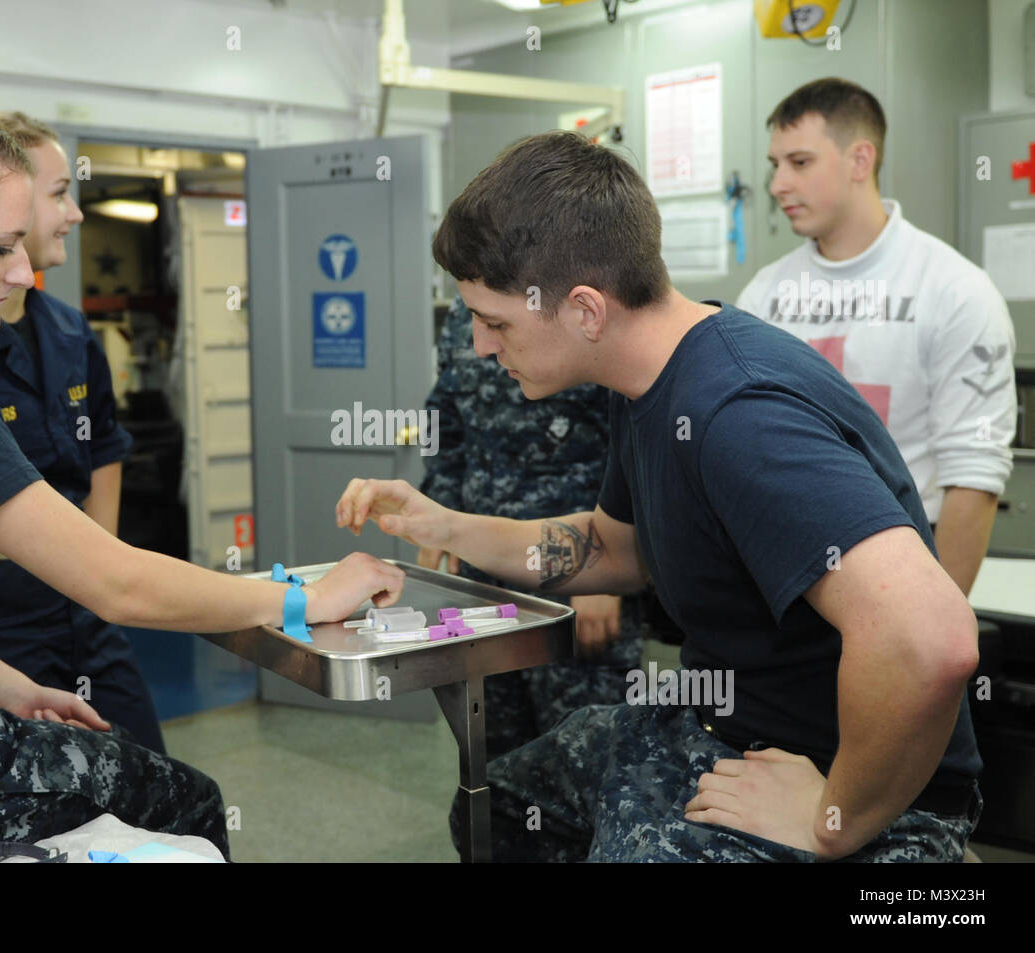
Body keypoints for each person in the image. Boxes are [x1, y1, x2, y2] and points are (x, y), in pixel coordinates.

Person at [0, 101, 403, 862]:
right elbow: (113, 582)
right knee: (182, 800)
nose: (24, 272)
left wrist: (9, 689)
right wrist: (304, 600)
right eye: (0, 246)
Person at [337, 130, 982, 862]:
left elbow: (931, 641)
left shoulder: (738, 413)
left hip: (839, 777)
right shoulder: (647, 381)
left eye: (496, 322)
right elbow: (613, 546)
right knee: (502, 805)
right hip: (724, 722)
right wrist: (442, 522)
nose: (483, 347)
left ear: (584, 310)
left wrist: (832, 817)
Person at [0, 112, 165, 755]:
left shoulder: (71, 332)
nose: (74, 213)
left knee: (148, 773)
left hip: (80, 608)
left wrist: (101, 573)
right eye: (58, 194)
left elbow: (104, 446)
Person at [737, 77, 1016, 597]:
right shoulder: (764, 295)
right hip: (784, 560)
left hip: (906, 557)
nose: (777, 185)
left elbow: (973, 475)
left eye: (799, 162)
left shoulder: (955, 291)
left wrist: (934, 626)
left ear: (859, 161)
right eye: (775, 164)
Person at [418, 293, 642, 759]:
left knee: (585, 751)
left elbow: (635, 447)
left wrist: (607, 577)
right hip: (482, 573)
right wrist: (441, 517)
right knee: (489, 746)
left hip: (574, 568)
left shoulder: (578, 307)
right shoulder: (468, 315)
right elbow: (444, 420)